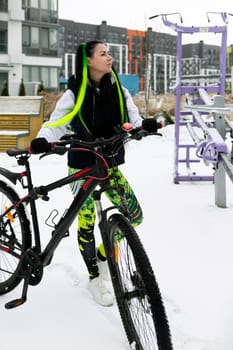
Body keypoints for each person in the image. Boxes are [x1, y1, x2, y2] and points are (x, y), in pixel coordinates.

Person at [30, 40, 158, 307]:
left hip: (108, 164)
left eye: (110, 53)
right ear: (88, 60)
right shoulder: (74, 92)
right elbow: (55, 123)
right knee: (86, 221)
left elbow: (132, 118)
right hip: (82, 167)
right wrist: (42, 140)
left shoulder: (118, 88)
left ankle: (103, 254)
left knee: (135, 215)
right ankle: (94, 276)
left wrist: (141, 125)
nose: (109, 57)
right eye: (103, 53)